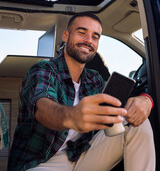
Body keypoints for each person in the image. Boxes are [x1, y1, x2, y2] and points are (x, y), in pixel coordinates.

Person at [8, 12, 155, 171]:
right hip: (43, 163)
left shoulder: (95, 79)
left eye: (95, 36)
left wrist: (145, 100)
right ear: (66, 36)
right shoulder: (44, 70)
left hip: (82, 154)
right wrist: (72, 116)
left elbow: (121, 106)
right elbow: (43, 108)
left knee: (137, 123)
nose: (88, 40)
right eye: (82, 32)